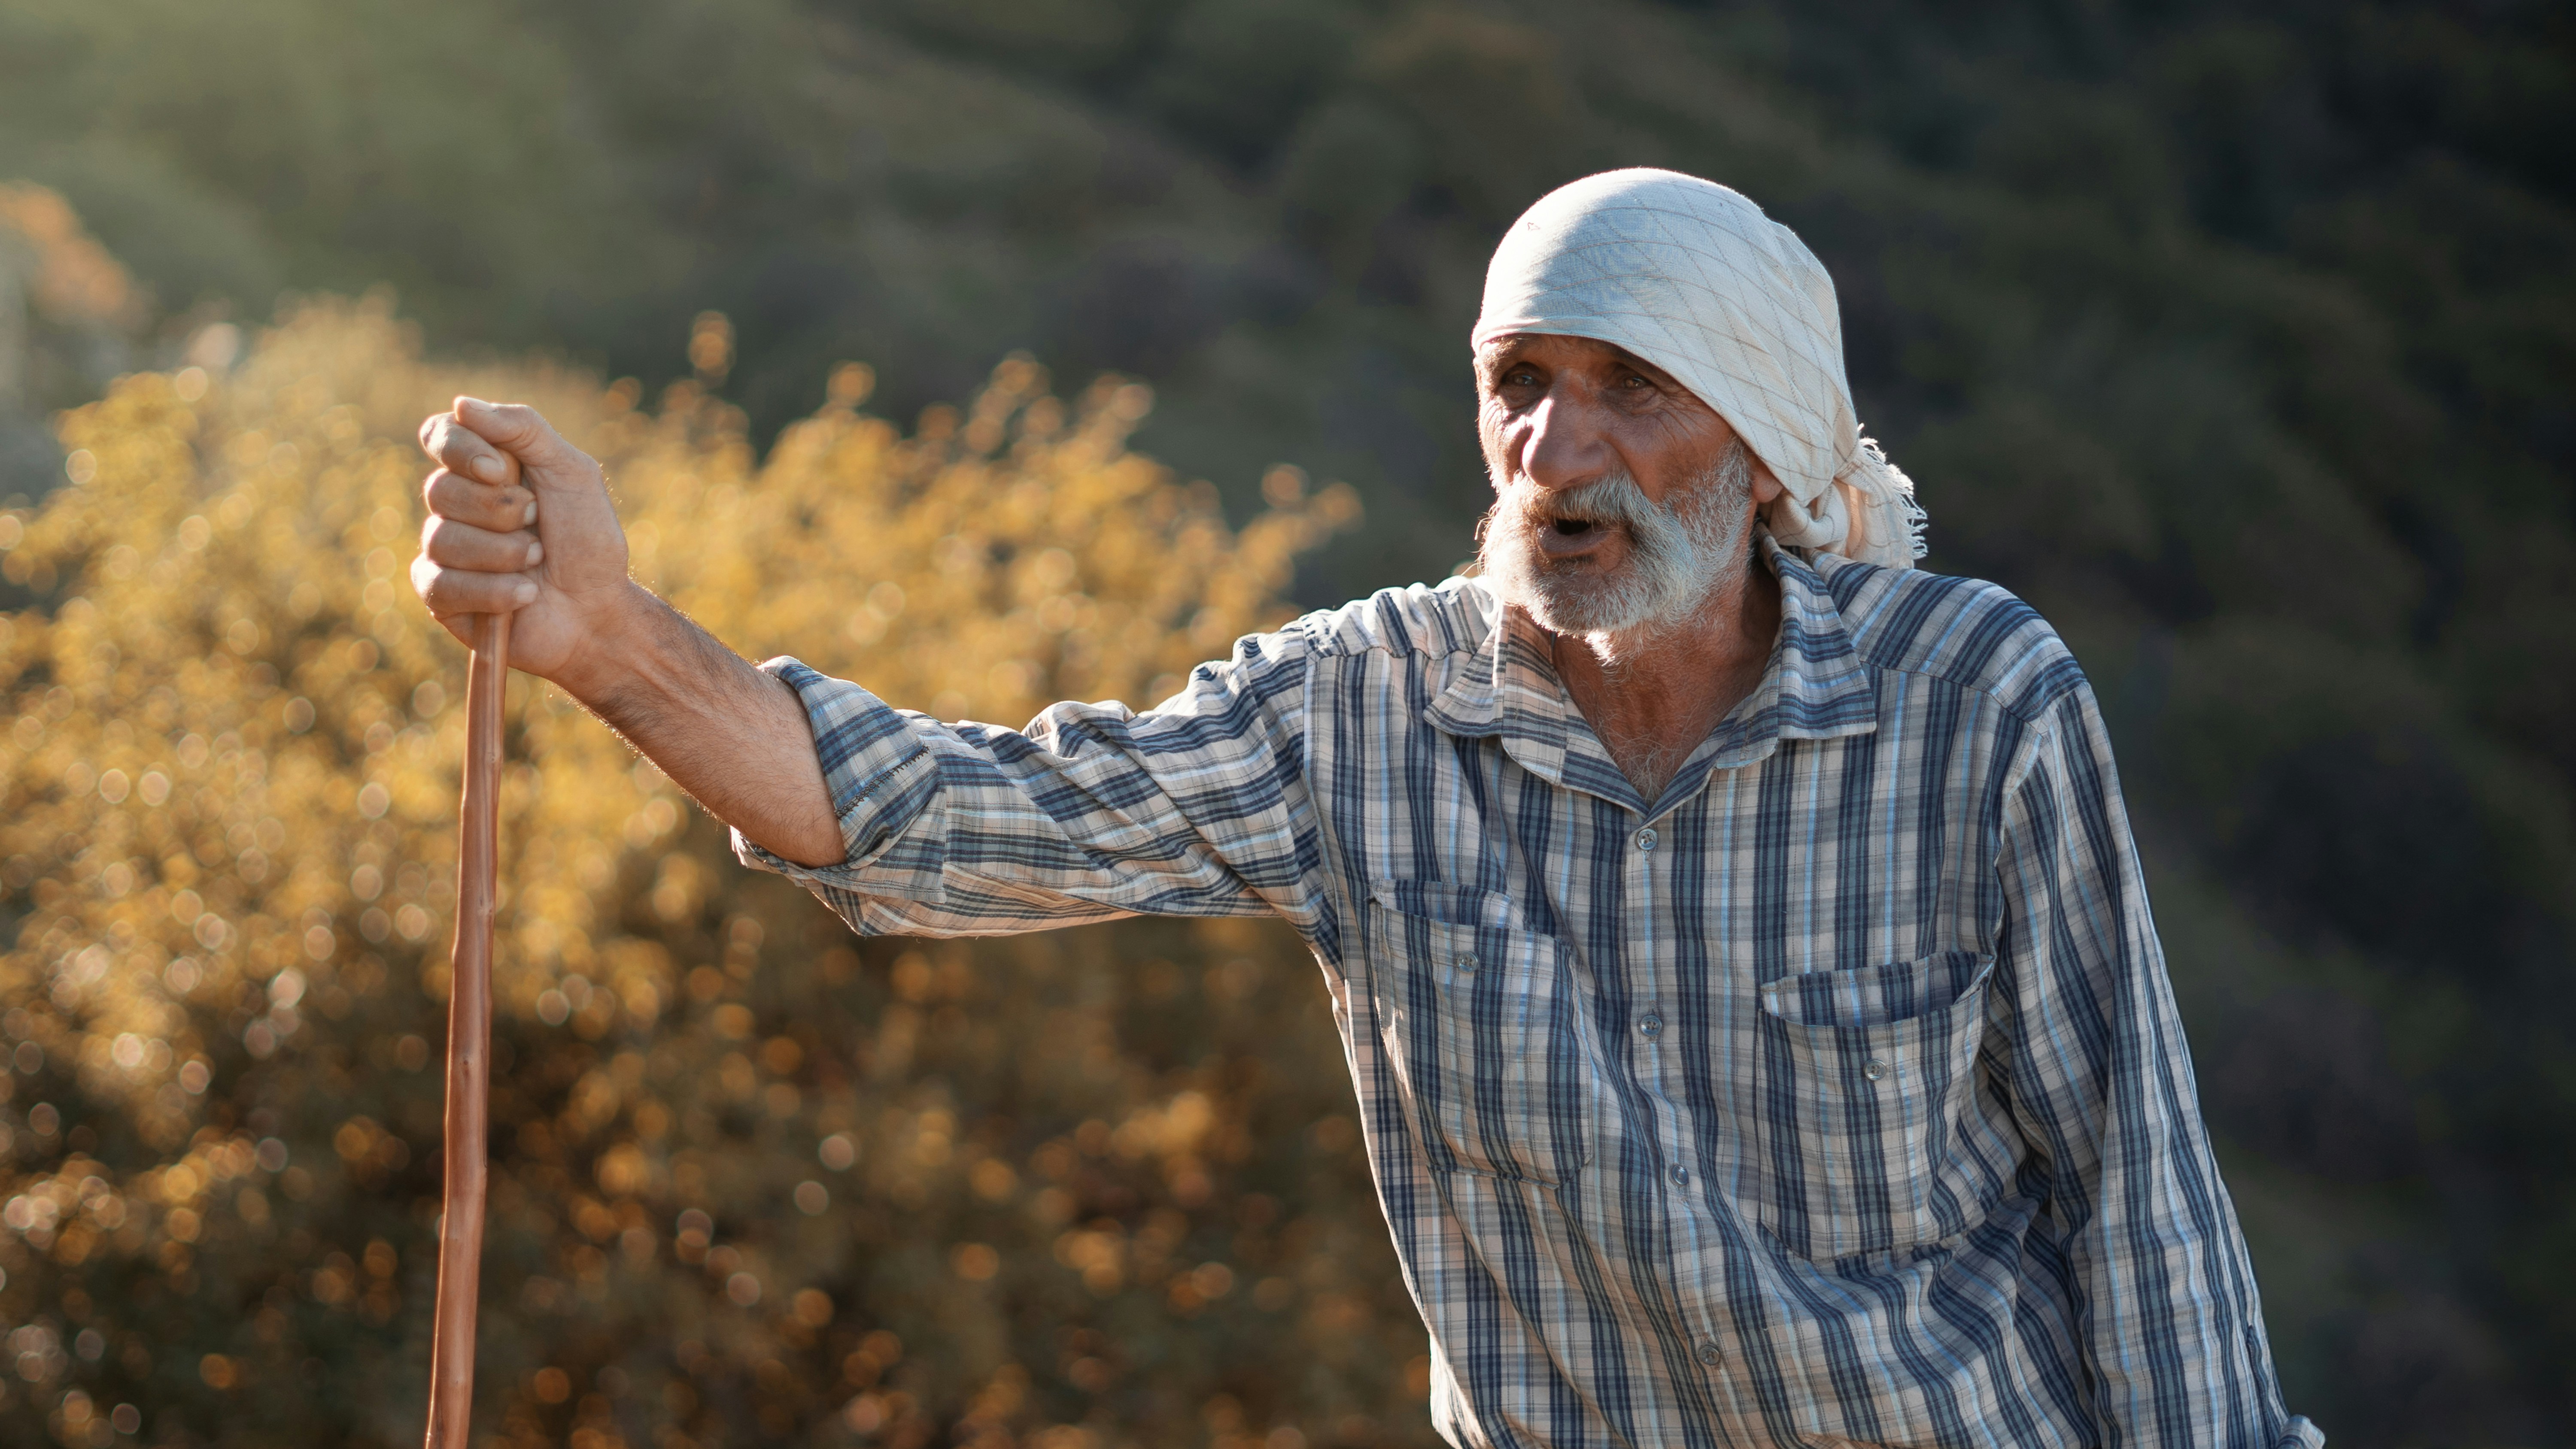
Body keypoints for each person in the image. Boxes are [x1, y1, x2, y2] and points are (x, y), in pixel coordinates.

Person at [410, 169, 2320, 1449]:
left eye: (1629, 393)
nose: (1556, 455)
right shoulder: (1361, 710)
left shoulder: (1980, 698)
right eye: (1518, 388)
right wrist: (601, 635)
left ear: (1755, 438)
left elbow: (2136, 1197)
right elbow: (949, 822)